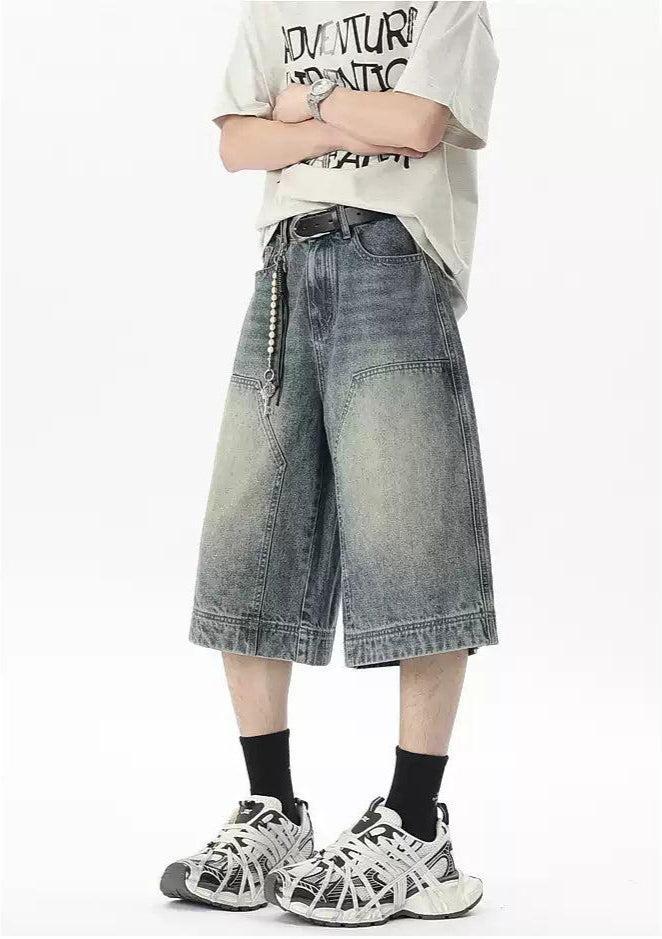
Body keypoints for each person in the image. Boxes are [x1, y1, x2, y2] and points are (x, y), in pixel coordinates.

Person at [160, 1, 499, 927]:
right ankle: (272, 808)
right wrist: (355, 112)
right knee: (250, 534)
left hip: (394, 259)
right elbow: (237, 144)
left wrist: (304, 105)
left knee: (411, 529)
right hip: (283, 266)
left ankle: (416, 822)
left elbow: (420, 124)